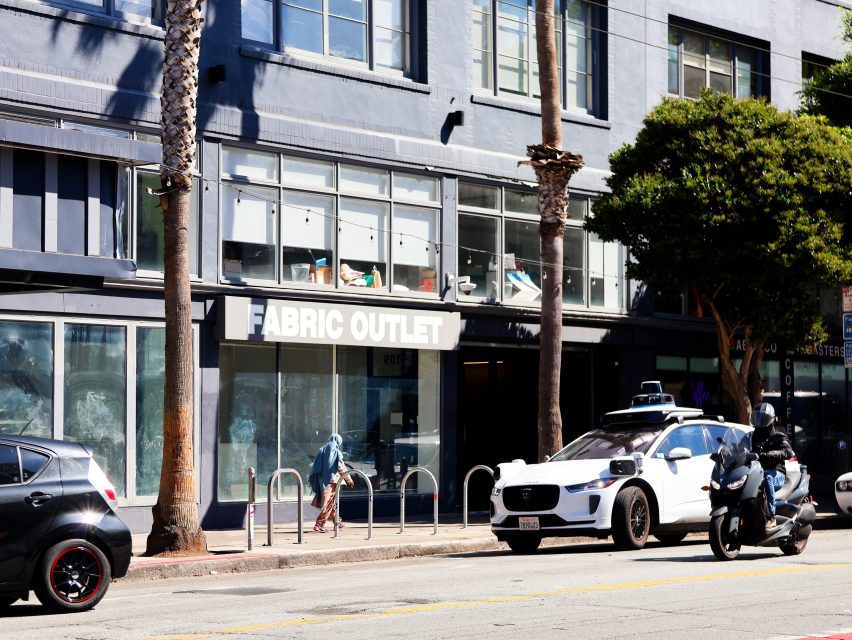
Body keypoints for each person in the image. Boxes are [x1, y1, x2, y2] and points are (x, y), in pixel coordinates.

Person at [750, 402, 794, 529]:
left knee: (766, 478)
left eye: (762, 417)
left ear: (770, 419)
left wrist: (773, 453)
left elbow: (789, 452)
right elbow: (742, 448)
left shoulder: (778, 435)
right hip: (756, 472)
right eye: (757, 417)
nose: (759, 420)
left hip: (776, 473)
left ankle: (771, 516)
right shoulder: (753, 436)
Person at [309, 434, 354, 533]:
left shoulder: (321, 450)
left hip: (321, 480)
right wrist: (349, 480)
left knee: (331, 502)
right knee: (328, 503)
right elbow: (341, 468)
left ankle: (337, 522)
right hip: (332, 481)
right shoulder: (336, 452)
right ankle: (319, 524)